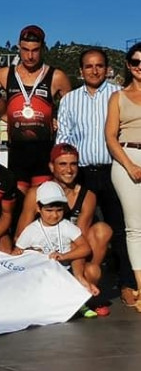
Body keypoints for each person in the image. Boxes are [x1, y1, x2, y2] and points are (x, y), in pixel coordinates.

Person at [56, 48, 136, 307]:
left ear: (107, 68)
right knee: (80, 229)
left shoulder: (117, 94)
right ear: (80, 71)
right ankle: (80, 281)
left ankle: (127, 283)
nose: (94, 70)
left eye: (99, 66)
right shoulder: (69, 100)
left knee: (123, 229)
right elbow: (64, 137)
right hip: (83, 173)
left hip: (114, 170)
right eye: (89, 66)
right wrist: (63, 172)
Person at [15, 143, 112, 311]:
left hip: (71, 257)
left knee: (102, 232)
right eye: (63, 164)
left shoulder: (87, 196)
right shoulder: (35, 193)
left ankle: (85, 287)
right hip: (42, 257)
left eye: (73, 164)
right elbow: (20, 236)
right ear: (52, 167)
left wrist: (79, 274)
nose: (69, 169)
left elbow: (79, 241)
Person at [0, 25, 72, 195]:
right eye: (25, 49)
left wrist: (58, 119)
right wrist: (6, 115)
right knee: (18, 201)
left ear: (43, 48)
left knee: (42, 199)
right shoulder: (4, 74)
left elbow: (72, 112)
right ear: (18, 47)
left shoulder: (57, 76)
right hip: (17, 151)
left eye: (35, 50)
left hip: (44, 151)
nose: (29, 56)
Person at [14, 181, 97, 296]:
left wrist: (64, 256)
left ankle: (80, 300)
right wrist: (21, 253)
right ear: (38, 208)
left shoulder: (66, 225)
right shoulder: (30, 230)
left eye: (59, 210)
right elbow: (16, 252)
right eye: (49, 210)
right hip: (43, 273)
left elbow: (85, 248)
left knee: (90, 270)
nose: (54, 215)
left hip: (67, 270)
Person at [106, 42, 141, 312]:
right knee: (135, 227)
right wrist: (129, 165)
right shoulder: (118, 97)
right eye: (136, 62)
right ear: (129, 66)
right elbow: (110, 136)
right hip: (127, 158)